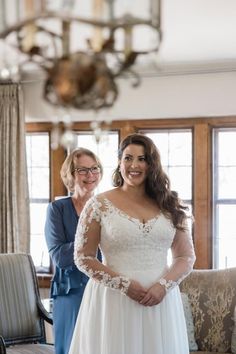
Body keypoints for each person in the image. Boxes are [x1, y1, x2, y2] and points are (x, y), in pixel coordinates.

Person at [69, 133, 196, 354]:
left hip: (161, 303)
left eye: (142, 159)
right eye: (128, 158)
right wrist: (123, 284)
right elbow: (83, 257)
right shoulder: (98, 205)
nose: (134, 165)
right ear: (119, 162)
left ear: (152, 164)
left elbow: (185, 257)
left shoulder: (170, 205)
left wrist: (163, 287)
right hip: (113, 301)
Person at [44, 147, 103, 354]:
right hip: (70, 290)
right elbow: (60, 257)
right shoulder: (56, 210)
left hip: (104, 286)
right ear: (70, 175)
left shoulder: (107, 207)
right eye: (82, 170)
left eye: (94, 169)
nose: (90, 175)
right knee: (71, 348)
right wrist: (92, 238)